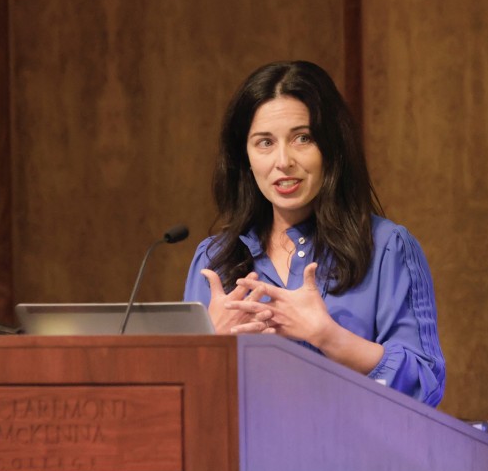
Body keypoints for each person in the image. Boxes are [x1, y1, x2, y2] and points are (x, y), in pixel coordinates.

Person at [183, 60, 446, 407]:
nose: (283, 161)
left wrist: (328, 337)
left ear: (332, 147)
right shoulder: (214, 259)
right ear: (245, 157)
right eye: (264, 142)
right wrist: (208, 346)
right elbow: (182, 399)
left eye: (302, 138)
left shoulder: (386, 247)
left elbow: (425, 384)